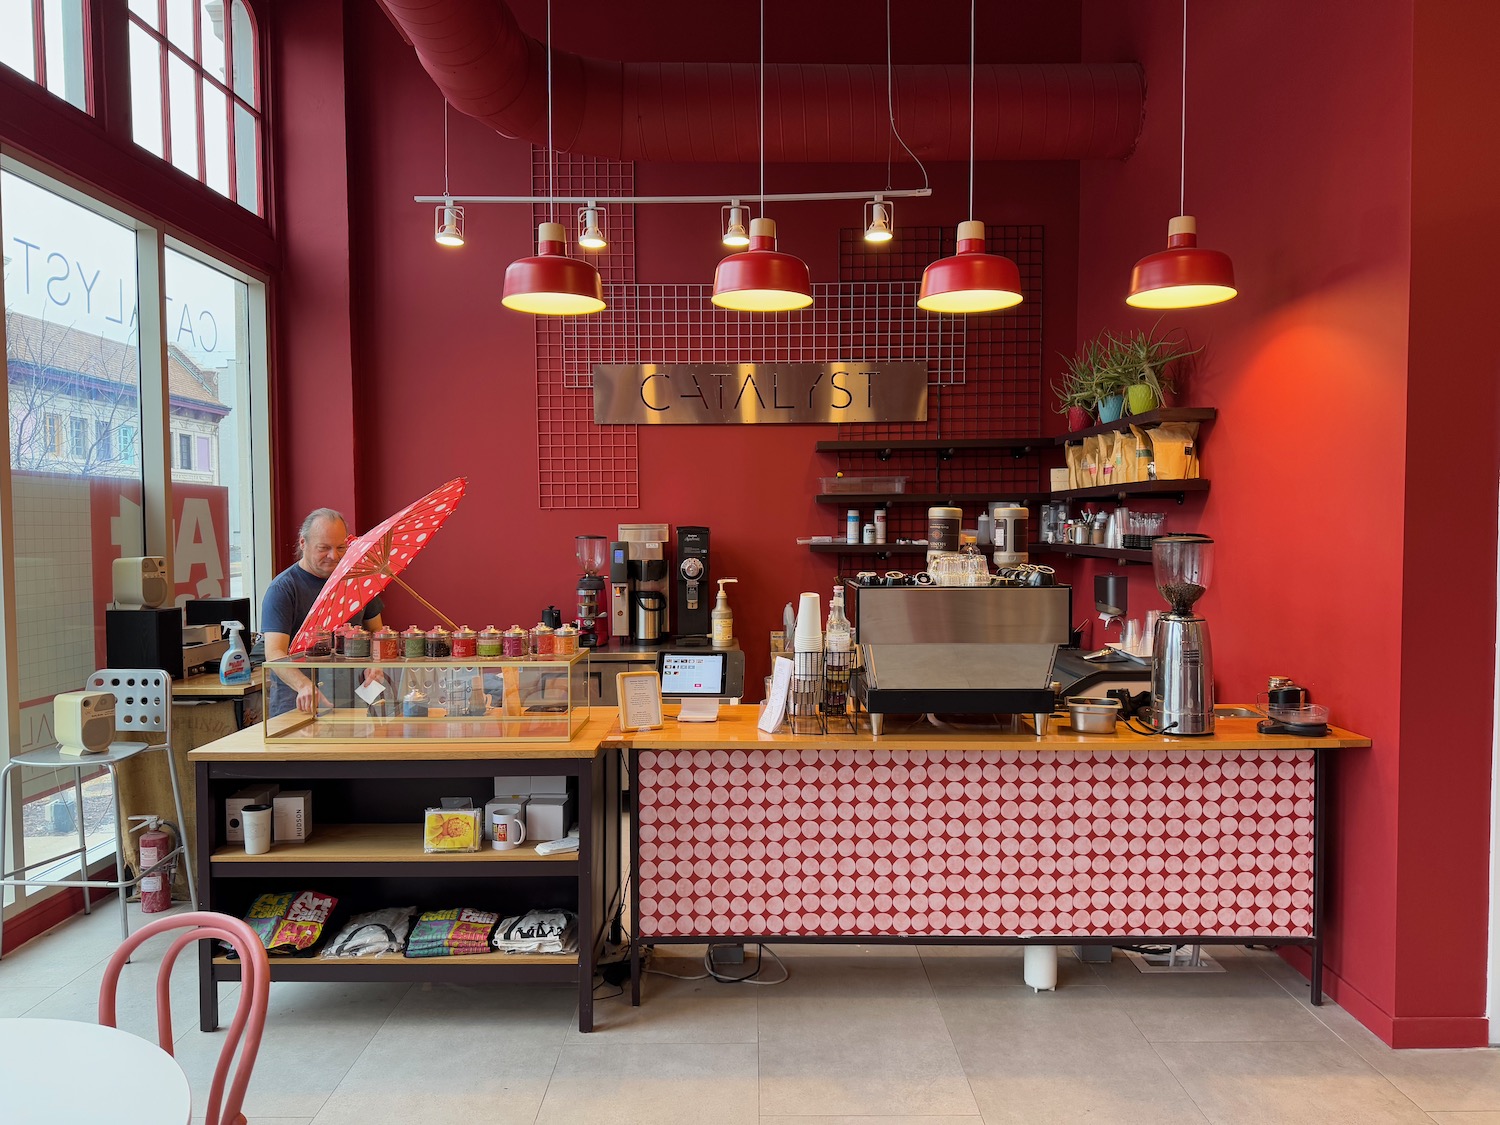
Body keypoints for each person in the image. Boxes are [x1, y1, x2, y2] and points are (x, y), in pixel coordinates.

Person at [262, 508, 384, 717]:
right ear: (303, 543)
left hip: (353, 702)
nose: (333, 556)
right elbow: (274, 653)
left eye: (340, 547)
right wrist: (303, 685)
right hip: (298, 704)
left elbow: (376, 633)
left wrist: (376, 663)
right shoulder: (283, 589)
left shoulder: (357, 582)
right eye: (323, 548)